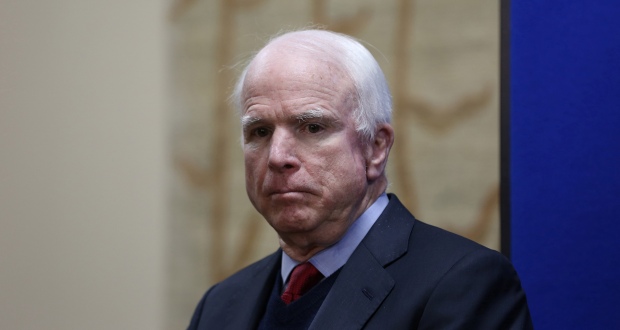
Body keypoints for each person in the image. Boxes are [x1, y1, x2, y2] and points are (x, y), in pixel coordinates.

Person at [188, 29, 532, 329]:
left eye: (312, 127)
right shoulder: (219, 307)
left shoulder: (462, 284)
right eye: (260, 131)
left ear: (376, 147)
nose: (278, 157)